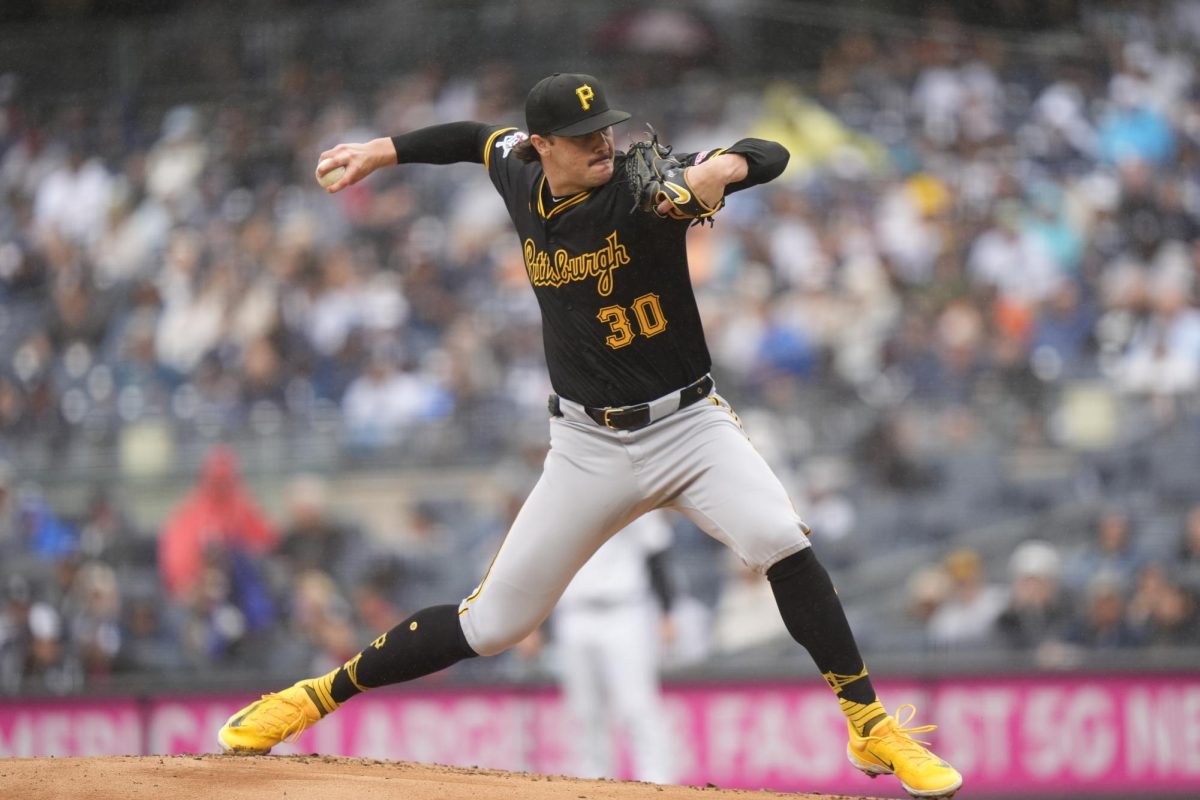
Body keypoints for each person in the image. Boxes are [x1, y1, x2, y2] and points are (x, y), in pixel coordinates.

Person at [217, 72, 961, 799]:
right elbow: (472, 138)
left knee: (780, 538)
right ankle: (314, 697)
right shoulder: (518, 172)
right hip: (587, 446)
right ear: (541, 146)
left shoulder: (645, 190)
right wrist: (384, 150)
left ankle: (867, 723)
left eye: (605, 126)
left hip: (688, 426)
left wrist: (721, 170)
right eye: (581, 136)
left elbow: (771, 153)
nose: (603, 141)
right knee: (494, 624)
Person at [547, 509, 678, 784]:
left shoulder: (632, 496)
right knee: (584, 710)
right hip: (573, 613)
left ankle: (657, 783)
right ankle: (592, 783)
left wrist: (666, 610)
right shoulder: (559, 496)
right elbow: (542, 563)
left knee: (637, 704)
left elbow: (657, 554)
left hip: (625, 610)